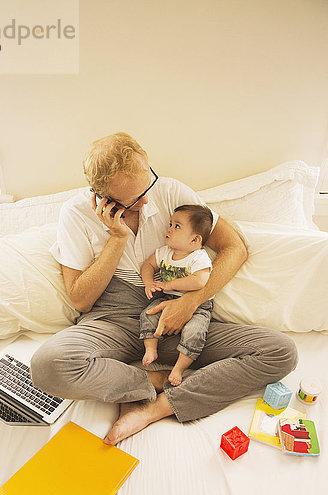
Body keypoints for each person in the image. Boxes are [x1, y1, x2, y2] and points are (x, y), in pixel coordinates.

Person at [30, 132, 298, 446]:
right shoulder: (75, 214)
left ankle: (158, 404)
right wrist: (116, 238)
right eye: (133, 199)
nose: (145, 201)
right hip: (112, 320)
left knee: (280, 352)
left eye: (148, 186)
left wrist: (192, 301)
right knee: (47, 367)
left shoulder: (171, 192)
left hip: (175, 317)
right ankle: (148, 380)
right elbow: (81, 299)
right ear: (102, 198)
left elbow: (234, 248)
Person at [140, 204, 214, 386]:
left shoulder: (198, 257)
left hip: (198, 306)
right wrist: (149, 282)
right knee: (147, 314)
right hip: (167, 299)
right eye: (170, 224)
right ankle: (151, 349)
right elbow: (147, 266)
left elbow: (199, 281)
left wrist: (169, 284)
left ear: (195, 240)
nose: (169, 229)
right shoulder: (164, 253)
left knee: (194, 332)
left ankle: (179, 368)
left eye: (177, 226)